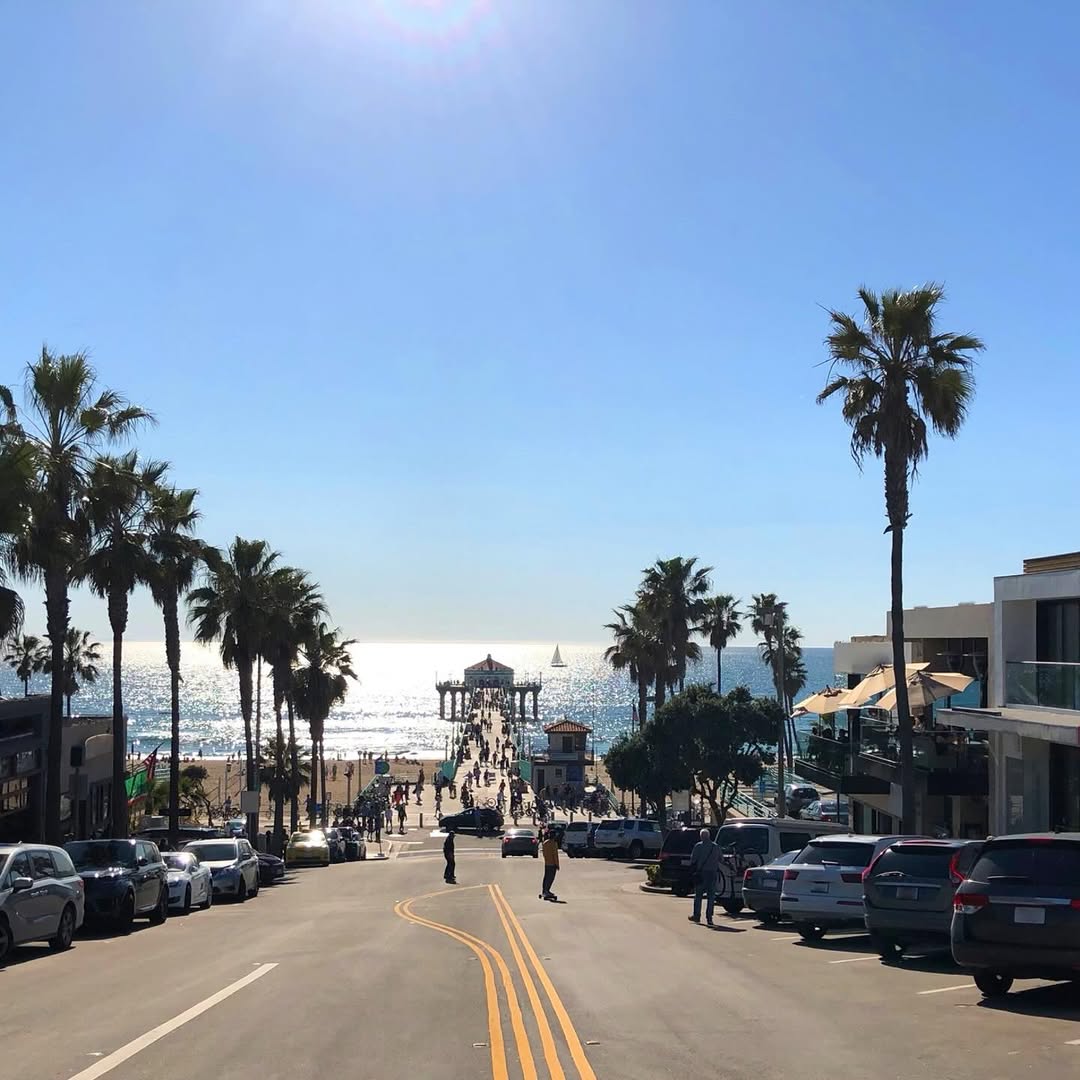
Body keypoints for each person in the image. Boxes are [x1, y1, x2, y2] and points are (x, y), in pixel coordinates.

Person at [687, 827, 721, 926]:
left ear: (701, 837)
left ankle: (697, 915)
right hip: (713, 874)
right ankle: (709, 917)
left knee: (698, 895)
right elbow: (721, 859)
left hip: (701, 873)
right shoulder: (716, 847)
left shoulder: (698, 846)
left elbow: (693, 860)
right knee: (711, 897)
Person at [540, 827, 560, 901]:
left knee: (546, 877)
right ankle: (547, 891)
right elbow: (555, 855)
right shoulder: (553, 843)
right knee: (550, 878)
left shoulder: (545, 843)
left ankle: (544, 890)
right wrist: (557, 864)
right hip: (552, 864)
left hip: (547, 863)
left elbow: (544, 853)